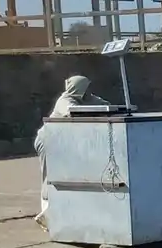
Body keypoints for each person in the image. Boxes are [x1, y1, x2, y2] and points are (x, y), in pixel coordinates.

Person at [34, 76, 109, 228]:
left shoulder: (88, 99)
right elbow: (72, 112)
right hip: (48, 141)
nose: (89, 91)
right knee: (49, 176)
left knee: (67, 176)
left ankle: (60, 212)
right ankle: (46, 213)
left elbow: (106, 106)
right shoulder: (65, 100)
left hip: (64, 143)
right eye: (86, 88)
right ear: (78, 89)